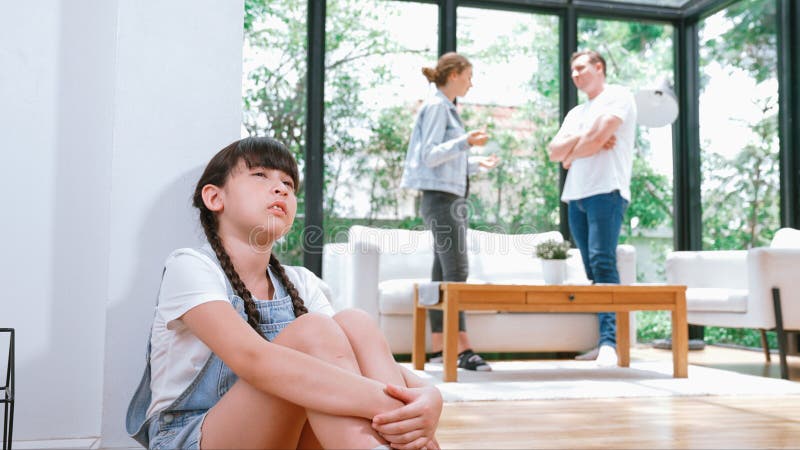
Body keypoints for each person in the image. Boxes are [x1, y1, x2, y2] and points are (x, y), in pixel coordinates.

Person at [126, 137, 442, 449]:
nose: (281, 189)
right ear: (214, 197)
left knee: (355, 323)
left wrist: (428, 396)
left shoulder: (302, 282)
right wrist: (397, 409)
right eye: (261, 175)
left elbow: (353, 357)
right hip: (192, 437)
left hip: (283, 438)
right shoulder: (191, 267)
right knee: (313, 330)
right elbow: (252, 359)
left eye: (289, 184)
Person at [401, 52, 500, 372]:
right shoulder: (436, 107)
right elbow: (429, 155)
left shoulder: (445, 107)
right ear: (454, 74)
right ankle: (462, 349)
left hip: (446, 197)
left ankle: (439, 347)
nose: (472, 83)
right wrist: (465, 142)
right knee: (457, 271)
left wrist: (474, 160)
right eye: (469, 76)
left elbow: (444, 160)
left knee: (442, 274)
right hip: (442, 200)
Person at [547, 50, 637, 365]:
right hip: (576, 196)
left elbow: (599, 139)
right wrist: (580, 144)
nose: (575, 74)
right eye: (572, 70)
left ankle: (611, 344)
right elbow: (554, 152)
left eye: (581, 68)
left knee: (602, 262)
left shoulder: (618, 96)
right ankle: (603, 343)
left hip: (606, 191)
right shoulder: (576, 112)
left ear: (599, 68)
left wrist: (574, 150)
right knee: (590, 269)